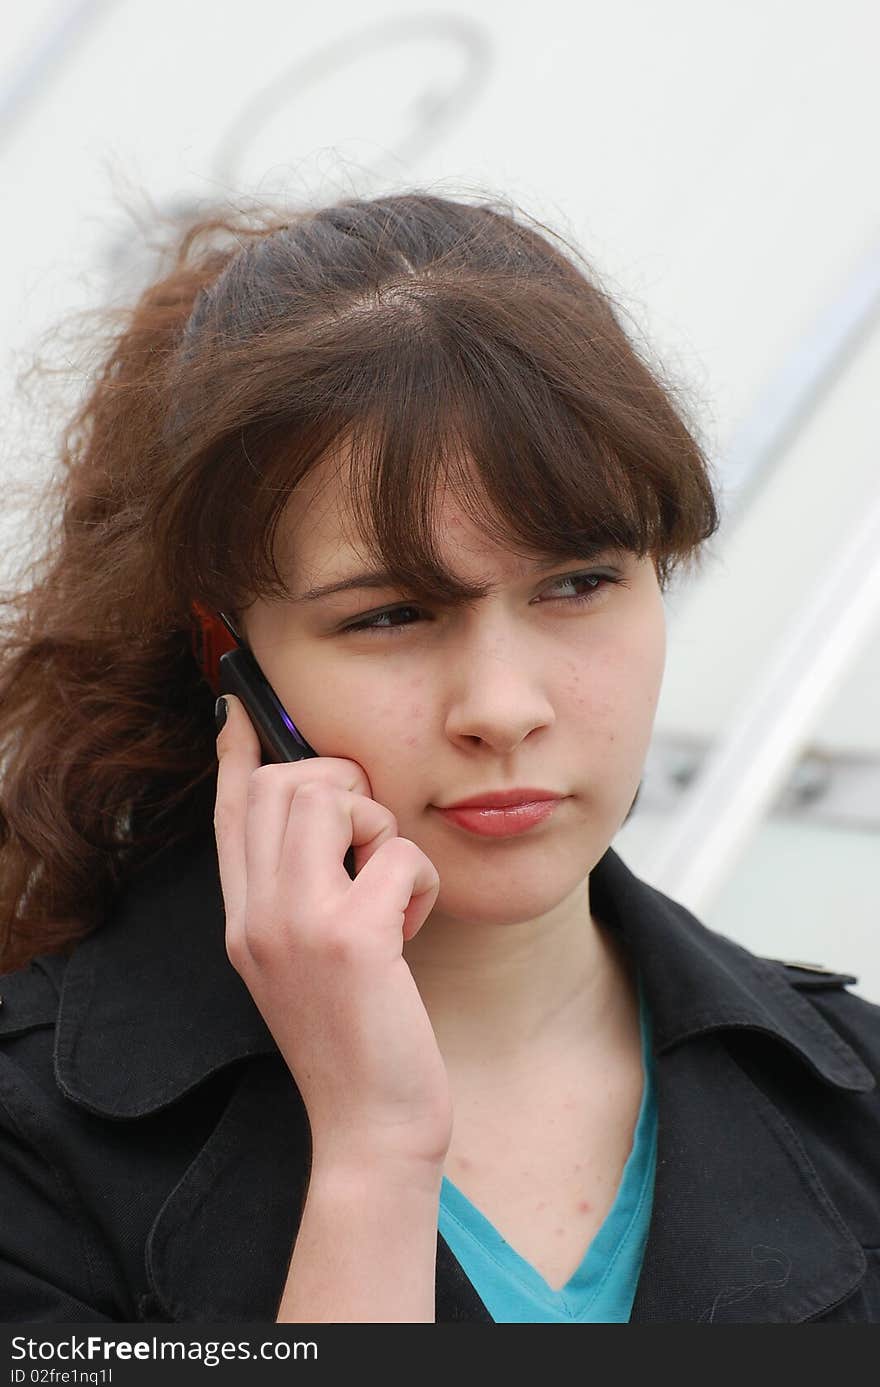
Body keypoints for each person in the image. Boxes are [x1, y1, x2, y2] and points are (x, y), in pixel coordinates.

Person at [0, 189, 878, 1325]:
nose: (502, 709)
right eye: (391, 615)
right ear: (229, 654)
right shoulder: (33, 1152)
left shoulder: (852, 1098)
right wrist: (372, 1157)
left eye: (577, 583)